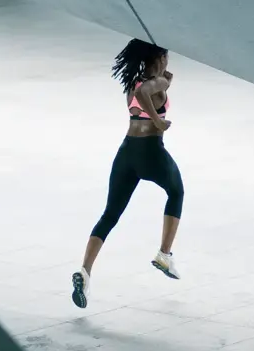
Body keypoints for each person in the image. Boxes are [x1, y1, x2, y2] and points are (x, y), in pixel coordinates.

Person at [71, 38, 184, 309]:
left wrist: (164, 85)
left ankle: (85, 272)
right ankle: (164, 254)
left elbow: (142, 92)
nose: (168, 62)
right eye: (166, 57)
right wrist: (158, 120)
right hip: (151, 152)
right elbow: (147, 92)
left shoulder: (132, 81)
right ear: (159, 58)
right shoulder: (154, 82)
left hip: (126, 153)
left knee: (110, 214)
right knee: (176, 191)